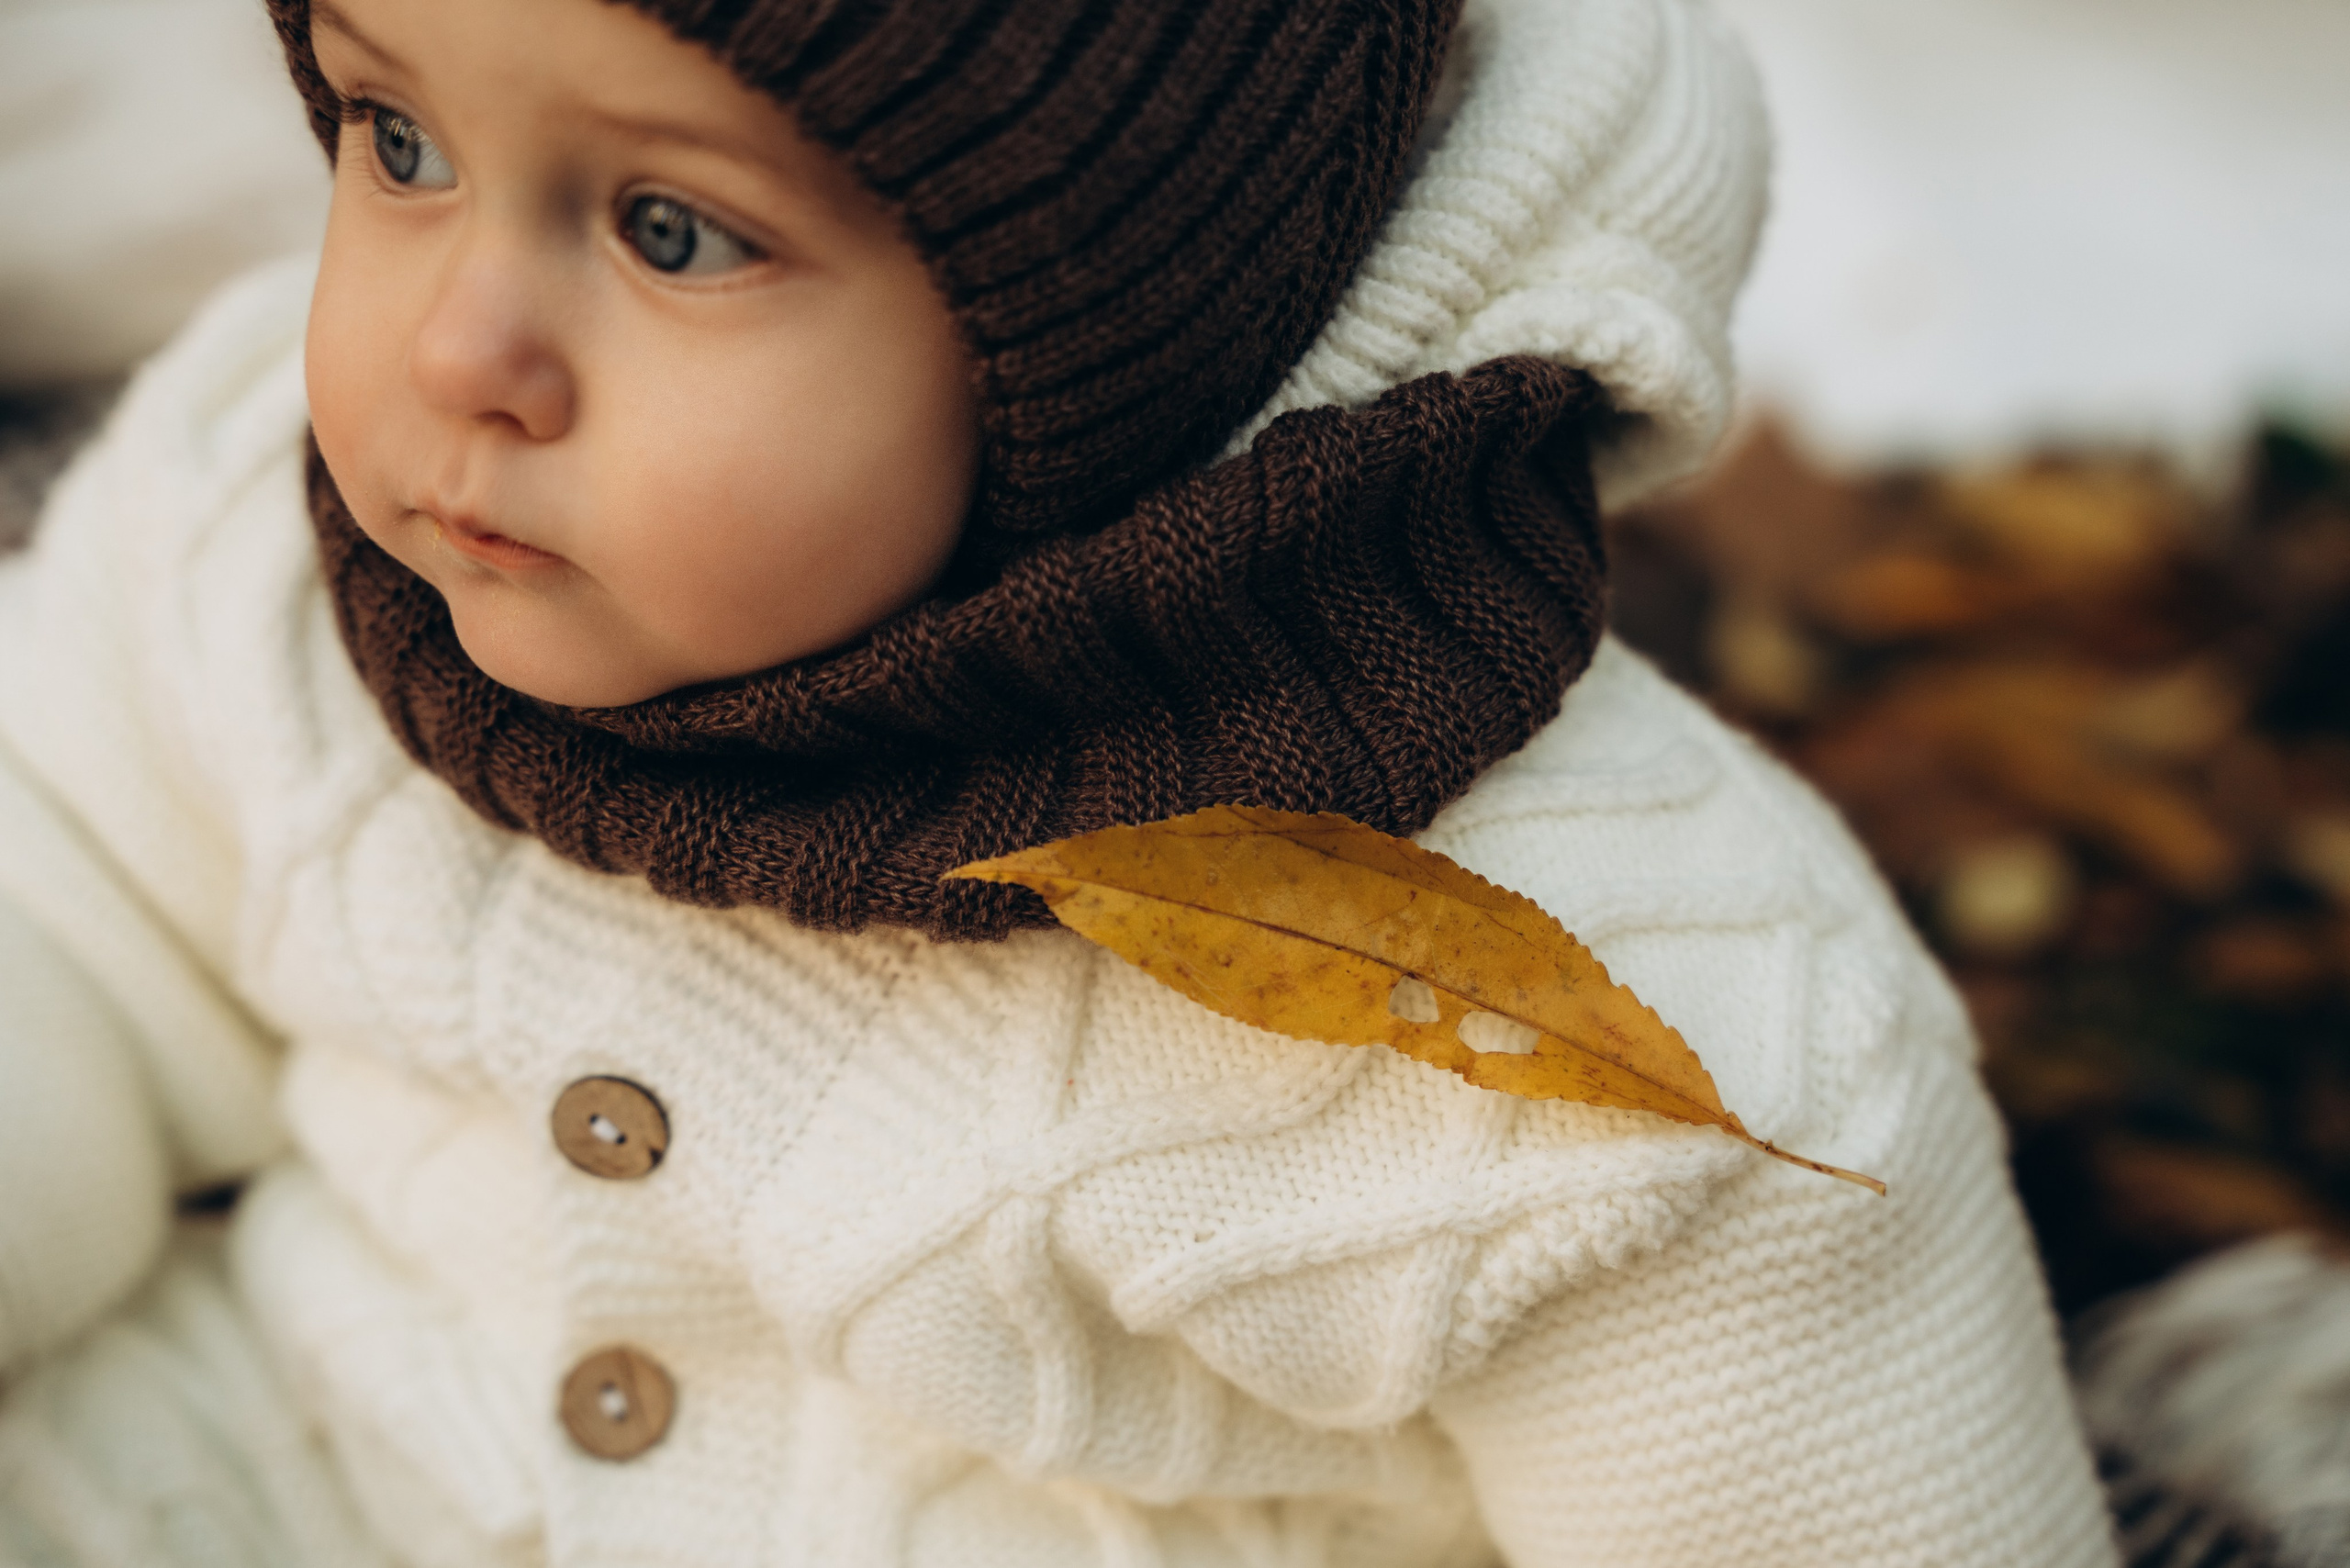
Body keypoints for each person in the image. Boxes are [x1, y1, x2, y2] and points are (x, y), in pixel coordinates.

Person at [0, 0, 2121, 1562]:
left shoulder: (1598, 1031)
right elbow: (61, 921)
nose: (457, 348)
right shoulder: (253, 537)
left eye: (671, 229)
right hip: (289, 1468)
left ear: (1109, 326)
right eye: (398, 137)